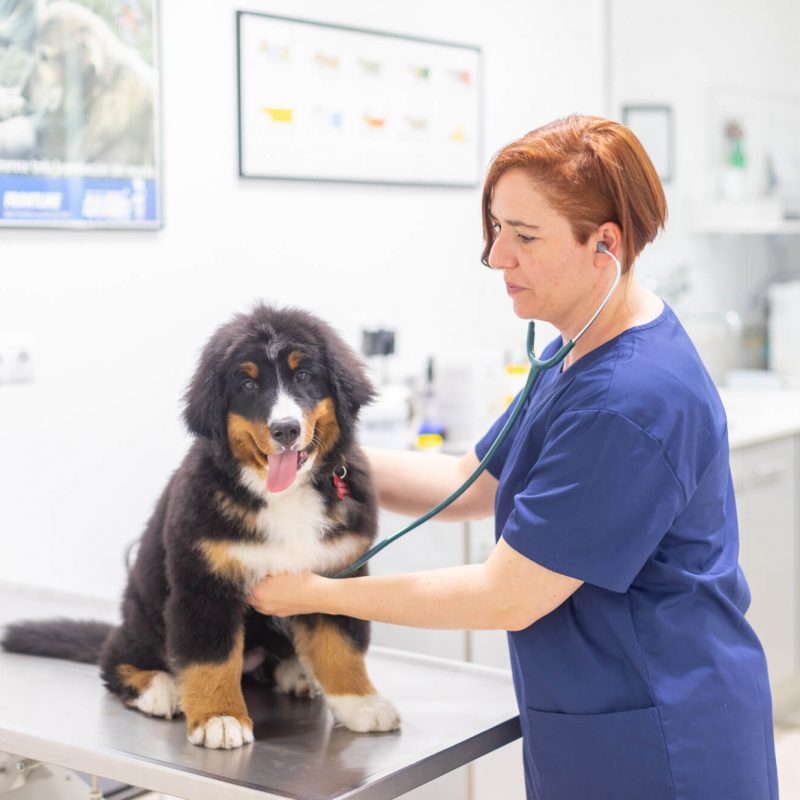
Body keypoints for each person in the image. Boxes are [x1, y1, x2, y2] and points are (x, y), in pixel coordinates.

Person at [249, 115, 779, 800]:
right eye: (496, 229)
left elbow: (507, 595)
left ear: (605, 246)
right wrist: (315, 456)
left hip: (665, 739)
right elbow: (468, 481)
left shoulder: (630, 400)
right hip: (603, 719)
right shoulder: (577, 349)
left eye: (524, 237)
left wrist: (314, 594)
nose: (499, 257)